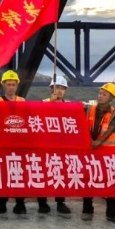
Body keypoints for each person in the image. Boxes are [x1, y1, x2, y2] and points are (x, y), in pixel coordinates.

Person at [82, 83, 115, 223]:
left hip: (108, 153)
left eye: (104, 94)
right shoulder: (89, 109)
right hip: (91, 151)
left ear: (111, 98)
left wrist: (99, 141)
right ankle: (87, 209)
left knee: (110, 181)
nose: (100, 96)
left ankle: (111, 212)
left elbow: (112, 128)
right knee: (88, 179)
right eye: (100, 93)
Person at [37, 75, 72, 217]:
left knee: (61, 174)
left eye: (63, 88)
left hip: (62, 145)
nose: (60, 91)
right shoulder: (43, 103)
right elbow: (36, 117)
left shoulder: (69, 106)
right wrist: (50, 103)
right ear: (51, 89)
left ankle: (60, 202)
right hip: (45, 144)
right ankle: (42, 202)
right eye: (57, 88)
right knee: (43, 173)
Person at [0, 70, 26, 215]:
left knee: (19, 173)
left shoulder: (22, 102)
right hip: (3, 144)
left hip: (19, 143)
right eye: (8, 84)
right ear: (3, 85)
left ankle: (20, 203)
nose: (11, 87)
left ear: (17, 86)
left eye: (13, 84)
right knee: (4, 173)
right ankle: (1, 202)